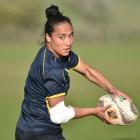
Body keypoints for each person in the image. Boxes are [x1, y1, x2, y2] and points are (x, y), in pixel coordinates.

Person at [15, 5, 131, 140]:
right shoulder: (52, 71)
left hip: (28, 128)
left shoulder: (54, 53)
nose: (68, 42)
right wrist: (95, 111)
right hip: (40, 133)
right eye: (62, 37)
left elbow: (87, 70)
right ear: (48, 37)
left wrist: (112, 90)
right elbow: (59, 115)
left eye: (71, 36)